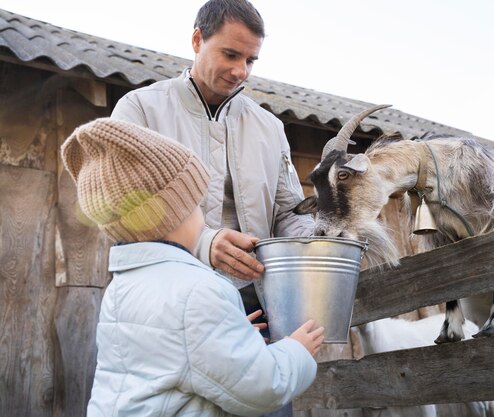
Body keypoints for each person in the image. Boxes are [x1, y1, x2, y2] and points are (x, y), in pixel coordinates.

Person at [61, 118, 324, 416]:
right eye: (195, 206)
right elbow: (264, 386)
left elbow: (174, 347)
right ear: (173, 216)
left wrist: (227, 332)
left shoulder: (122, 288)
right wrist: (296, 350)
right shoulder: (199, 291)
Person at [110, 0, 314, 320]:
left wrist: (320, 241)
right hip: (163, 301)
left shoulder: (271, 129)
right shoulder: (139, 110)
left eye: (250, 60)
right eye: (231, 54)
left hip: (254, 306)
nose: (241, 71)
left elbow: (288, 212)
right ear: (196, 41)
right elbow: (121, 209)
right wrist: (203, 243)